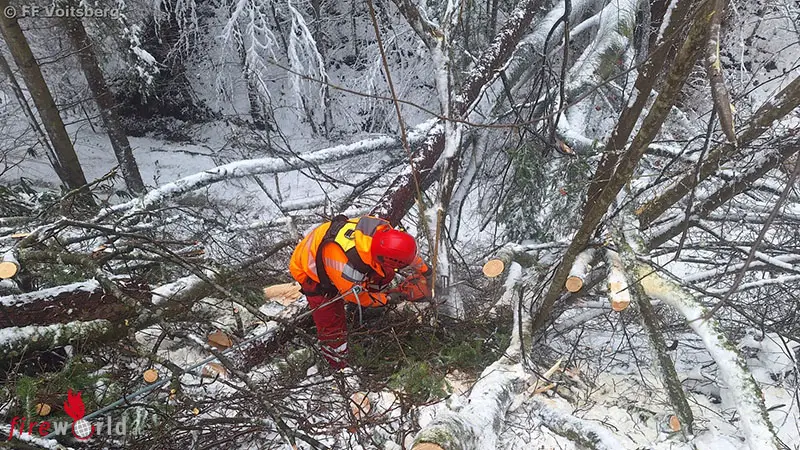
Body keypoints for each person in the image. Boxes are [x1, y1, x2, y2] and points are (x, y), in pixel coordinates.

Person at [289, 215, 432, 370]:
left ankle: (362, 311)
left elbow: (405, 254)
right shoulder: (348, 268)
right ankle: (337, 364)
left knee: (386, 273)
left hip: (334, 250)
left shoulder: (383, 233)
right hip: (310, 269)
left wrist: (427, 271)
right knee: (332, 322)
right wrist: (387, 299)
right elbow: (356, 295)